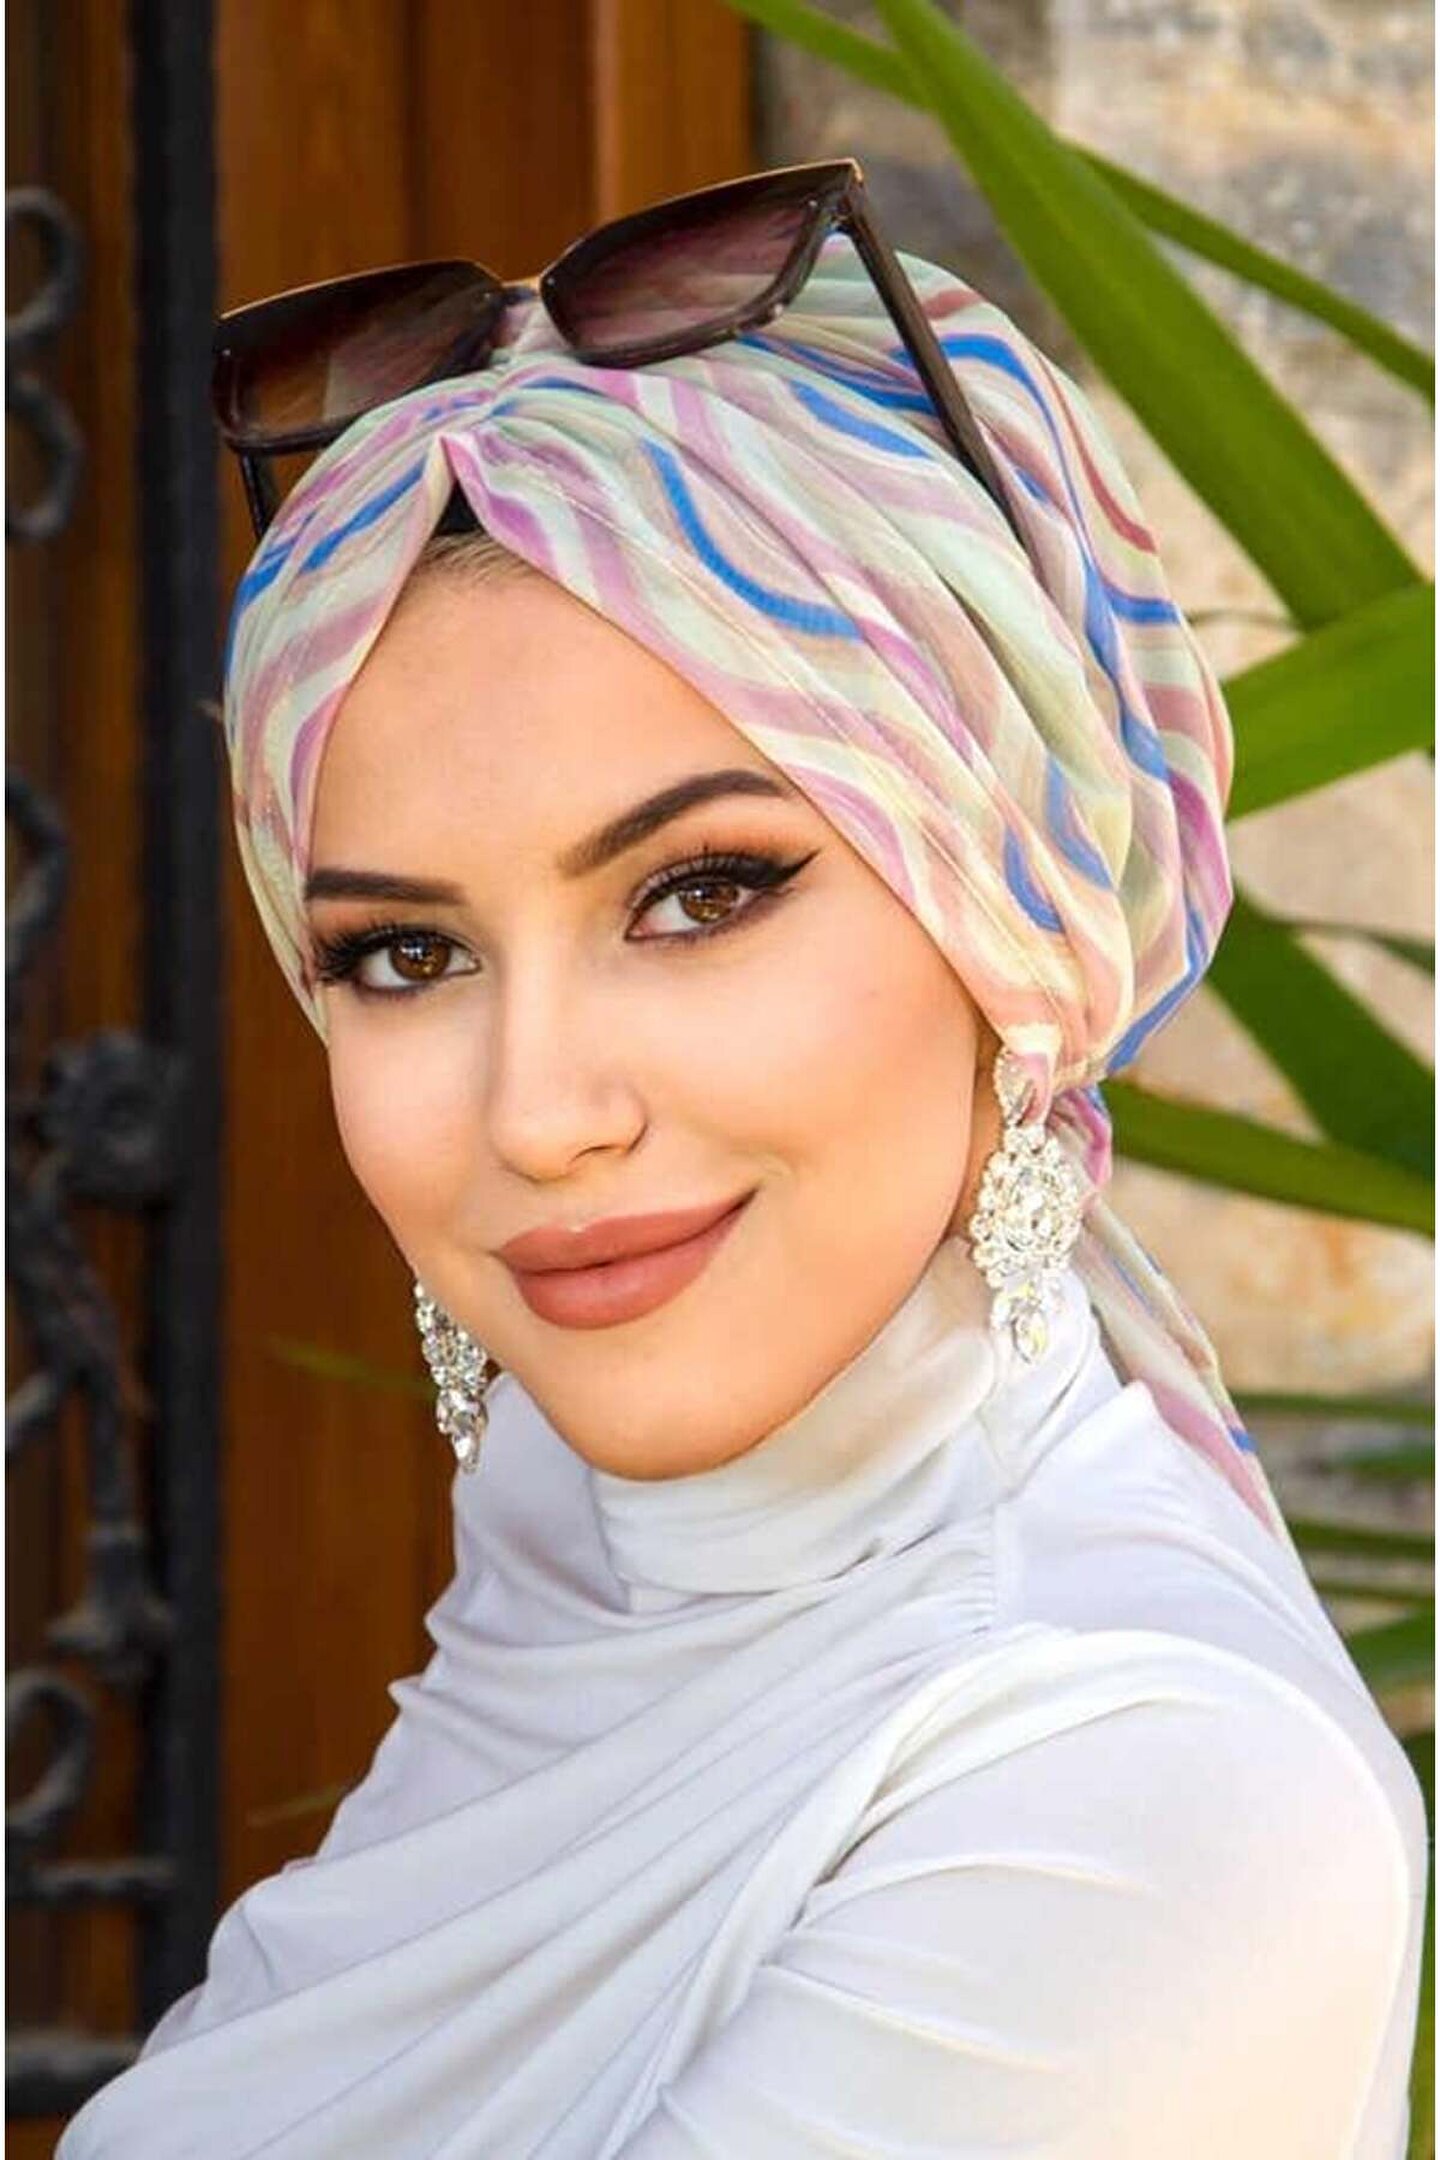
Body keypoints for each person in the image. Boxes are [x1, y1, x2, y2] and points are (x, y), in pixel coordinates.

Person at [60, 174, 1428, 2158]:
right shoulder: (571, 1567)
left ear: (1014, 917)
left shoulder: (1144, 1797)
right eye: (405, 955)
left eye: (700, 893)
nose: (539, 1113)